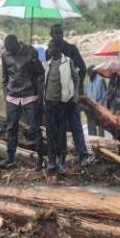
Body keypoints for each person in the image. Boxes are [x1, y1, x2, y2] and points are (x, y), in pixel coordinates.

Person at [0, 35, 45, 169]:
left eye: (11, 50)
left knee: (34, 129)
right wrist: (5, 94)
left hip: (29, 95)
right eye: (8, 51)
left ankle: (40, 160)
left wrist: (39, 95)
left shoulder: (30, 51)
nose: (10, 53)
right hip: (12, 96)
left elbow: (41, 73)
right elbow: (4, 77)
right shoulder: (4, 54)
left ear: (17, 45)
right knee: (11, 128)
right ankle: (10, 158)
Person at [49, 23, 91, 165]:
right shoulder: (51, 52)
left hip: (70, 96)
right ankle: (62, 158)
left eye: (60, 33)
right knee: (59, 128)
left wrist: (77, 89)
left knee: (76, 126)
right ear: (51, 35)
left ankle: (83, 155)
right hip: (55, 98)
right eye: (55, 33)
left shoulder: (71, 49)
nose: (58, 35)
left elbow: (83, 69)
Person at [43, 40, 80, 174]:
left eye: (50, 47)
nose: (48, 50)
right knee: (50, 133)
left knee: (61, 133)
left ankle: (62, 162)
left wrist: (75, 96)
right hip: (49, 103)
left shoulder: (68, 62)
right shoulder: (48, 63)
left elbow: (76, 79)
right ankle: (52, 161)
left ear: (57, 48)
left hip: (62, 103)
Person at [85, 66, 107, 137]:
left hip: (98, 108)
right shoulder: (89, 83)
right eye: (87, 73)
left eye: (89, 72)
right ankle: (93, 145)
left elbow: (104, 96)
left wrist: (98, 106)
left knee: (100, 129)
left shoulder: (100, 80)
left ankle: (102, 145)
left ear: (94, 71)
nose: (88, 74)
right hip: (90, 108)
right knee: (91, 128)